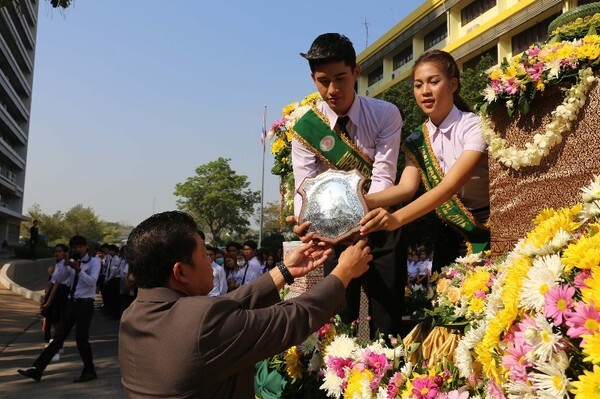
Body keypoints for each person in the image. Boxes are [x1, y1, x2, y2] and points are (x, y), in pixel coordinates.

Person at [118, 211, 371, 398]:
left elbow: (227, 306)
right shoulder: (201, 323)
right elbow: (292, 317)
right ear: (180, 273)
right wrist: (344, 272)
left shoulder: (133, 316)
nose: (211, 262)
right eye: (204, 255)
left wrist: (284, 271)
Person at [292, 33, 405, 336]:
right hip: (333, 234)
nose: (332, 90)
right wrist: (303, 220)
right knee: (340, 323)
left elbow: (383, 176)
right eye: (322, 80)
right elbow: (304, 187)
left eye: (340, 78)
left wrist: (359, 218)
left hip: (379, 223)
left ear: (356, 72)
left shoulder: (385, 115)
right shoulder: (305, 128)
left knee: (388, 322)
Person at [360, 50, 490, 273]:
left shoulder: (475, 126)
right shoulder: (416, 139)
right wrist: (359, 201)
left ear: (453, 84)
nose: (425, 91)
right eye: (418, 85)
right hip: (449, 230)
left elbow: (449, 186)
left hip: (488, 227)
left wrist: (396, 218)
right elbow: (406, 188)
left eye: (434, 82)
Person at [18, 235, 101, 383]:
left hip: (85, 304)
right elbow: (59, 278)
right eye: (74, 248)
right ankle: (37, 369)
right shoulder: (70, 262)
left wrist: (79, 270)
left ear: (86, 247)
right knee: (58, 338)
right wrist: (65, 263)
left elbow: (92, 282)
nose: (77, 250)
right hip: (71, 303)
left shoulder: (94, 262)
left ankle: (89, 370)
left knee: (81, 338)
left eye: (79, 247)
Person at [40, 244, 71, 360]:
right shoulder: (57, 265)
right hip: (54, 293)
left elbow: (57, 284)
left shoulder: (66, 265)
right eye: (56, 251)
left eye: (60, 251)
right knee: (51, 319)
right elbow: (52, 283)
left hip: (61, 294)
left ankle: (57, 344)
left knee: (57, 320)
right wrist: (46, 297)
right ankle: (53, 343)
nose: (57, 253)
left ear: (65, 253)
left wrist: (48, 302)